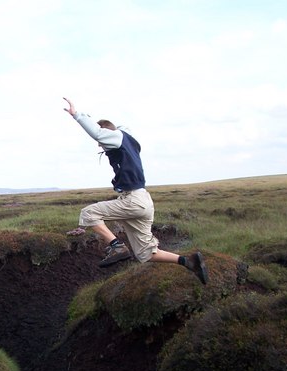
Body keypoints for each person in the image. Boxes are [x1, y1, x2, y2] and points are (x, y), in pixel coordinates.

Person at [63, 97, 208, 285]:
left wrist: (78, 115)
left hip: (133, 201)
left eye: (102, 142)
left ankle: (117, 247)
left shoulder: (116, 138)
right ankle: (188, 262)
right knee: (146, 254)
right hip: (144, 202)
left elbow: (99, 134)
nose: (100, 146)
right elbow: (120, 128)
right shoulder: (128, 139)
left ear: (108, 133)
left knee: (89, 213)